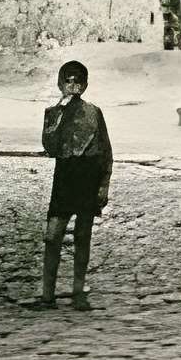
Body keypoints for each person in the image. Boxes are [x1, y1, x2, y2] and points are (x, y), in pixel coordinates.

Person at [41, 60, 112, 311]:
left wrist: (104, 184)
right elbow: (49, 146)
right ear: (60, 83)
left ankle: (78, 292)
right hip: (65, 176)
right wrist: (60, 111)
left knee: (83, 236)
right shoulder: (52, 113)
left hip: (88, 176)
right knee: (53, 236)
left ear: (85, 84)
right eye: (67, 80)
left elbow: (106, 151)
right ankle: (47, 295)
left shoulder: (94, 112)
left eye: (77, 80)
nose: (72, 85)